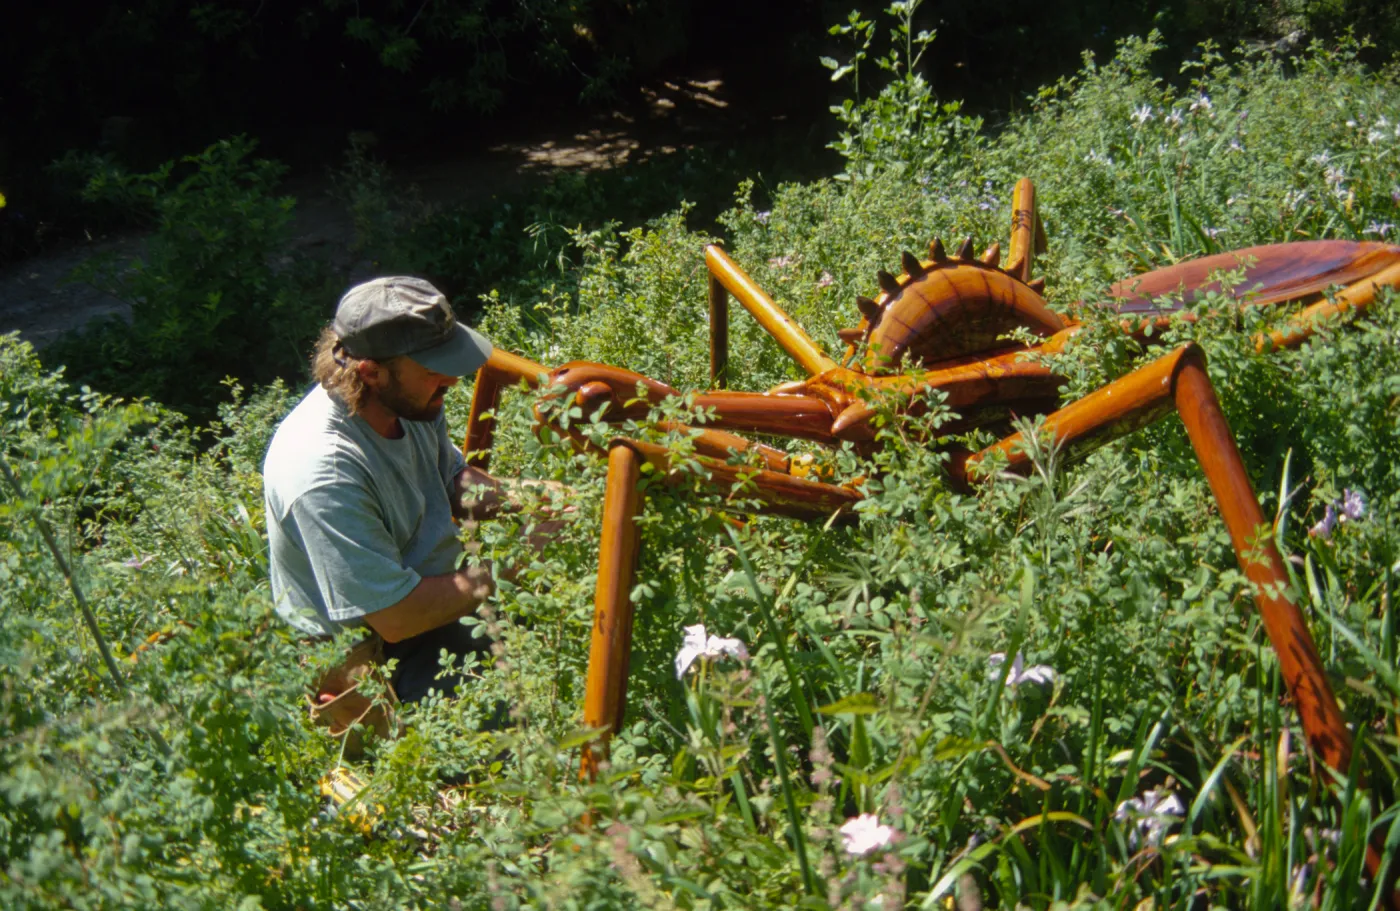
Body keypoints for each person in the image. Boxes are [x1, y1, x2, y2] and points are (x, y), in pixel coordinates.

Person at [263, 276, 522, 710]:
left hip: (426, 595)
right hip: (374, 643)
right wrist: (518, 562)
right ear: (371, 371)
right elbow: (396, 617)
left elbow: (450, 478)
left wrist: (532, 499)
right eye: (434, 368)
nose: (452, 381)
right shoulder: (322, 470)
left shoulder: (410, 400)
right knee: (512, 712)